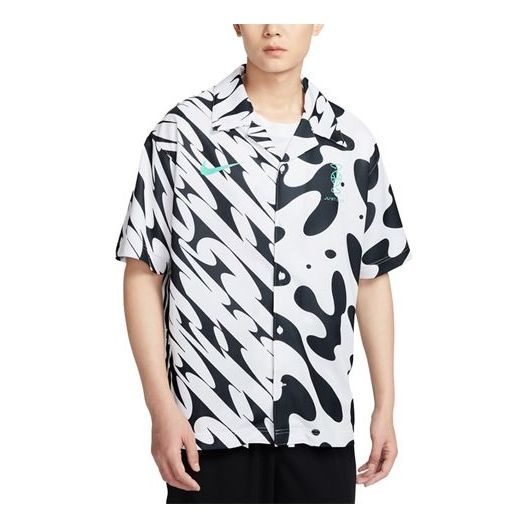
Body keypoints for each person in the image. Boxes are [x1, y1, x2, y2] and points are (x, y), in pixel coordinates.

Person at [114, 24, 412, 504]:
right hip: (207, 429)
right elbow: (143, 272)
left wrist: (386, 406)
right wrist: (160, 409)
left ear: (317, 20)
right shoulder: (182, 134)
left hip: (322, 427)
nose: (273, 26)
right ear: (236, 21)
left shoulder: (353, 143)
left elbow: (372, 278)